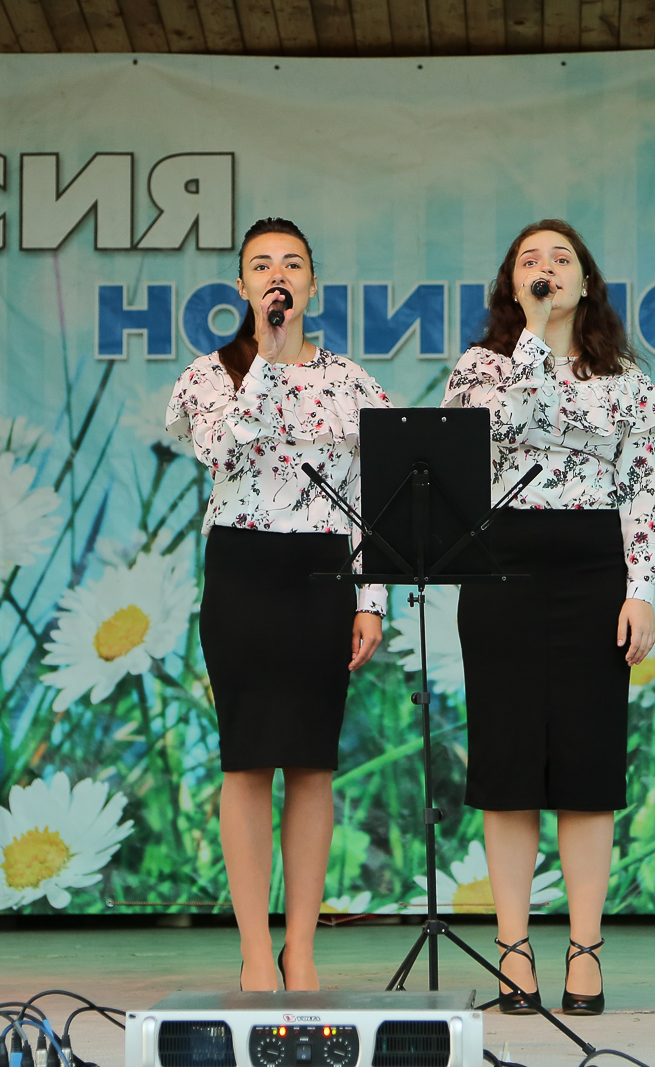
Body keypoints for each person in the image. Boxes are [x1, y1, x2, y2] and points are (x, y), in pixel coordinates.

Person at [444, 219, 655, 1016]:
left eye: (561, 259)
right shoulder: (481, 369)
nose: (547, 269)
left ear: (587, 281)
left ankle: (585, 949)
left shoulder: (627, 380)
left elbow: (641, 490)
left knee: (586, 772)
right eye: (530, 261)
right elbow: (496, 435)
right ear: (513, 285)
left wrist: (641, 588)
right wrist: (532, 339)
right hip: (502, 567)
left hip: (593, 570)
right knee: (508, 772)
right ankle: (512, 948)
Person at [166, 217, 389, 992]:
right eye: (261, 266)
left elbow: (373, 495)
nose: (277, 276)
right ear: (242, 287)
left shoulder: (351, 380)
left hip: (323, 574)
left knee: (313, 764)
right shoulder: (211, 375)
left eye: (292, 264)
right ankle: (256, 951)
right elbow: (223, 452)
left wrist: (372, 597)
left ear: (312, 284)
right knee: (248, 761)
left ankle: (301, 949)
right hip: (243, 572)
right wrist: (265, 357)